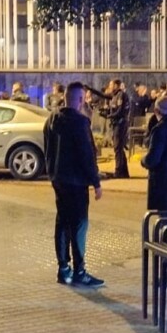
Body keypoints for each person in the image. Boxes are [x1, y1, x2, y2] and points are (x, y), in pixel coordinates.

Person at [44, 82, 105, 288]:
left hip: (58, 179)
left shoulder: (52, 118)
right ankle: (80, 270)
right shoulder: (80, 122)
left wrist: (51, 172)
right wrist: (95, 182)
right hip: (76, 182)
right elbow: (86, 154)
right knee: (79, 225)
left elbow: (48, 148)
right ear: (80, 100)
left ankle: (63, 269)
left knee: (62, 222)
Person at [100, 78, 131, 179]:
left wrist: (110, 116)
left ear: (117, 86)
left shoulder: (121, 95)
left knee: (118, 147)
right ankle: (124, 172)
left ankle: (118, 171)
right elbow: (103, 96)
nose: (109, 87)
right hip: (116, 123)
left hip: (120, 124)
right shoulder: (114, 96)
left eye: (111, 85)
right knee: (119, 148)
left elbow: (120, 111)